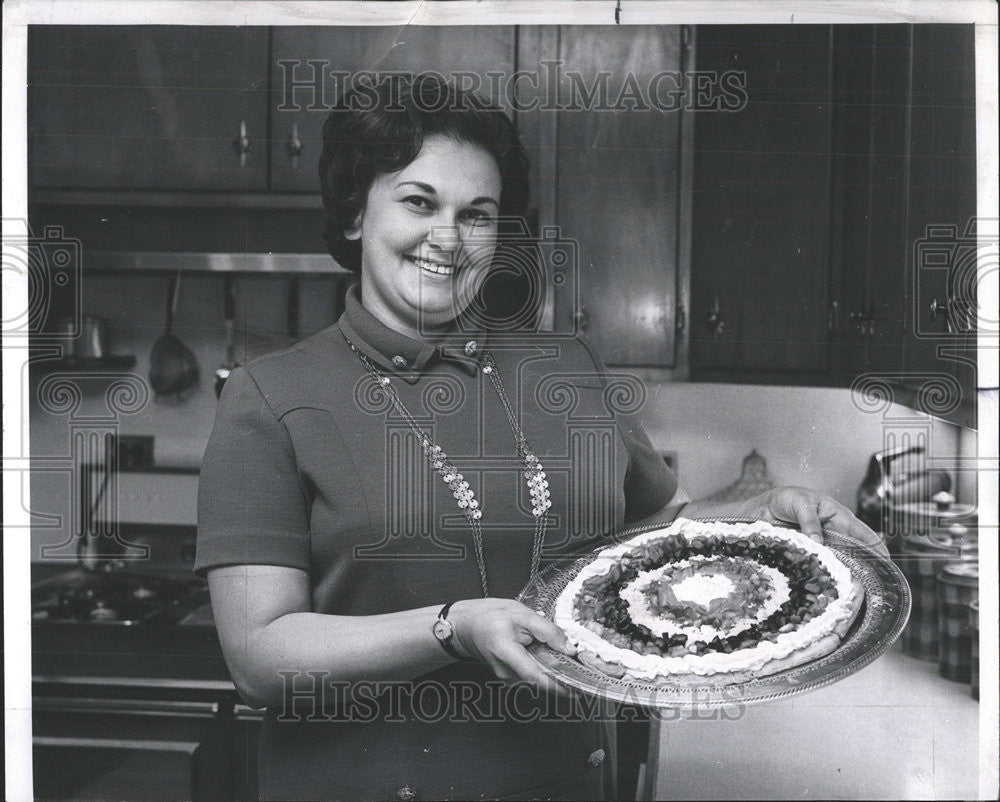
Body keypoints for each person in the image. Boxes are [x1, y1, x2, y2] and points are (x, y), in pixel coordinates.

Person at [195, 74, 885, 802]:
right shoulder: (270, 398)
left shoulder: (566, 366)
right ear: (353, 216)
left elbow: (659, 534)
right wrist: (452, 628)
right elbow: (260, 656)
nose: (448, 239)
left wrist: (764, 520)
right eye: (419, 202)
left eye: (478, 214)